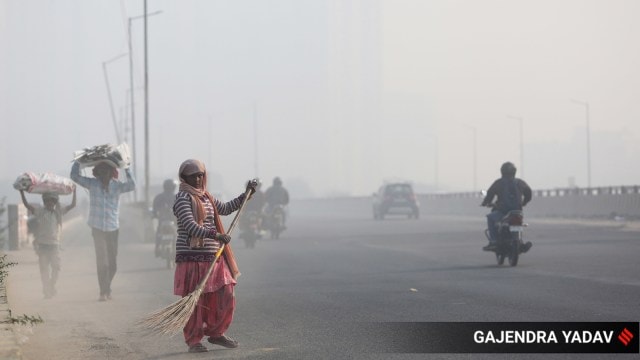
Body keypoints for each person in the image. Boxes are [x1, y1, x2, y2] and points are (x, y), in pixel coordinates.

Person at [172, 159, 256, 353]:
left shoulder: (207, 197)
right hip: (192, 258)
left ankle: (217, 333)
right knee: (195, 302)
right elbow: (190, 225)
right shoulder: (183, 198)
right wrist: (215, 235)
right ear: (185, 178)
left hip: (213, 256)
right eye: (194, 176)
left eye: (201, 175)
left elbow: (226, 208)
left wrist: (246, 195)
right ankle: (193, 341)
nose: (199, 179)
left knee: (225, 293)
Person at [70, 160, 136, 301]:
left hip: (113, 228)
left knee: (113, 265)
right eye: (101, 172)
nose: (104, 174)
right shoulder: (92, 184)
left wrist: (127, 168)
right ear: (97, 173)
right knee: (103, 262)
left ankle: (107, 288)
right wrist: (78, 162)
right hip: (97, 228)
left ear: (111, 173)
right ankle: (103, 292)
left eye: (106, 171)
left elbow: (132, 185)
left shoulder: (117, 186)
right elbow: (74, 176)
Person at [19, 189, 76, 299]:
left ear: (55, 202)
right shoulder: (41, 212)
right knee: (44, 269)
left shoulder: (58, 212)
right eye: (47, 201)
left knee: (56, 268)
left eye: (52, 201)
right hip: (43, 246)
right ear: (45, 202)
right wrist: (22, 193)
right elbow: (27, 205)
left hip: (54, 245)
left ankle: (51, 285)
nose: (50, 203)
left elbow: (73, 205)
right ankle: (47, 291)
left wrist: (74, 191)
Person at [480, 162, 532, 252]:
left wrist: (486, 202)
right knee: (518, 224)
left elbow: (490, 194)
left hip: (503, 211)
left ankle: (494, 241)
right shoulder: (520, 182)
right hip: (517, 211)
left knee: (490, 218)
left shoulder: (499, 183)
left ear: (502, 171)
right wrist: (524, 202)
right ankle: (520, 242)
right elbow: (529, 192)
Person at [152, 179, 177, 257]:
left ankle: (157, 248)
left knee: (158, 232)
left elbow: (154, 209)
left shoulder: (158, 197)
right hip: (172, 221)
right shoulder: (177, 197)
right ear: (174, 187)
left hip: (163, 220)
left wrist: (154, 215)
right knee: (180, 233)